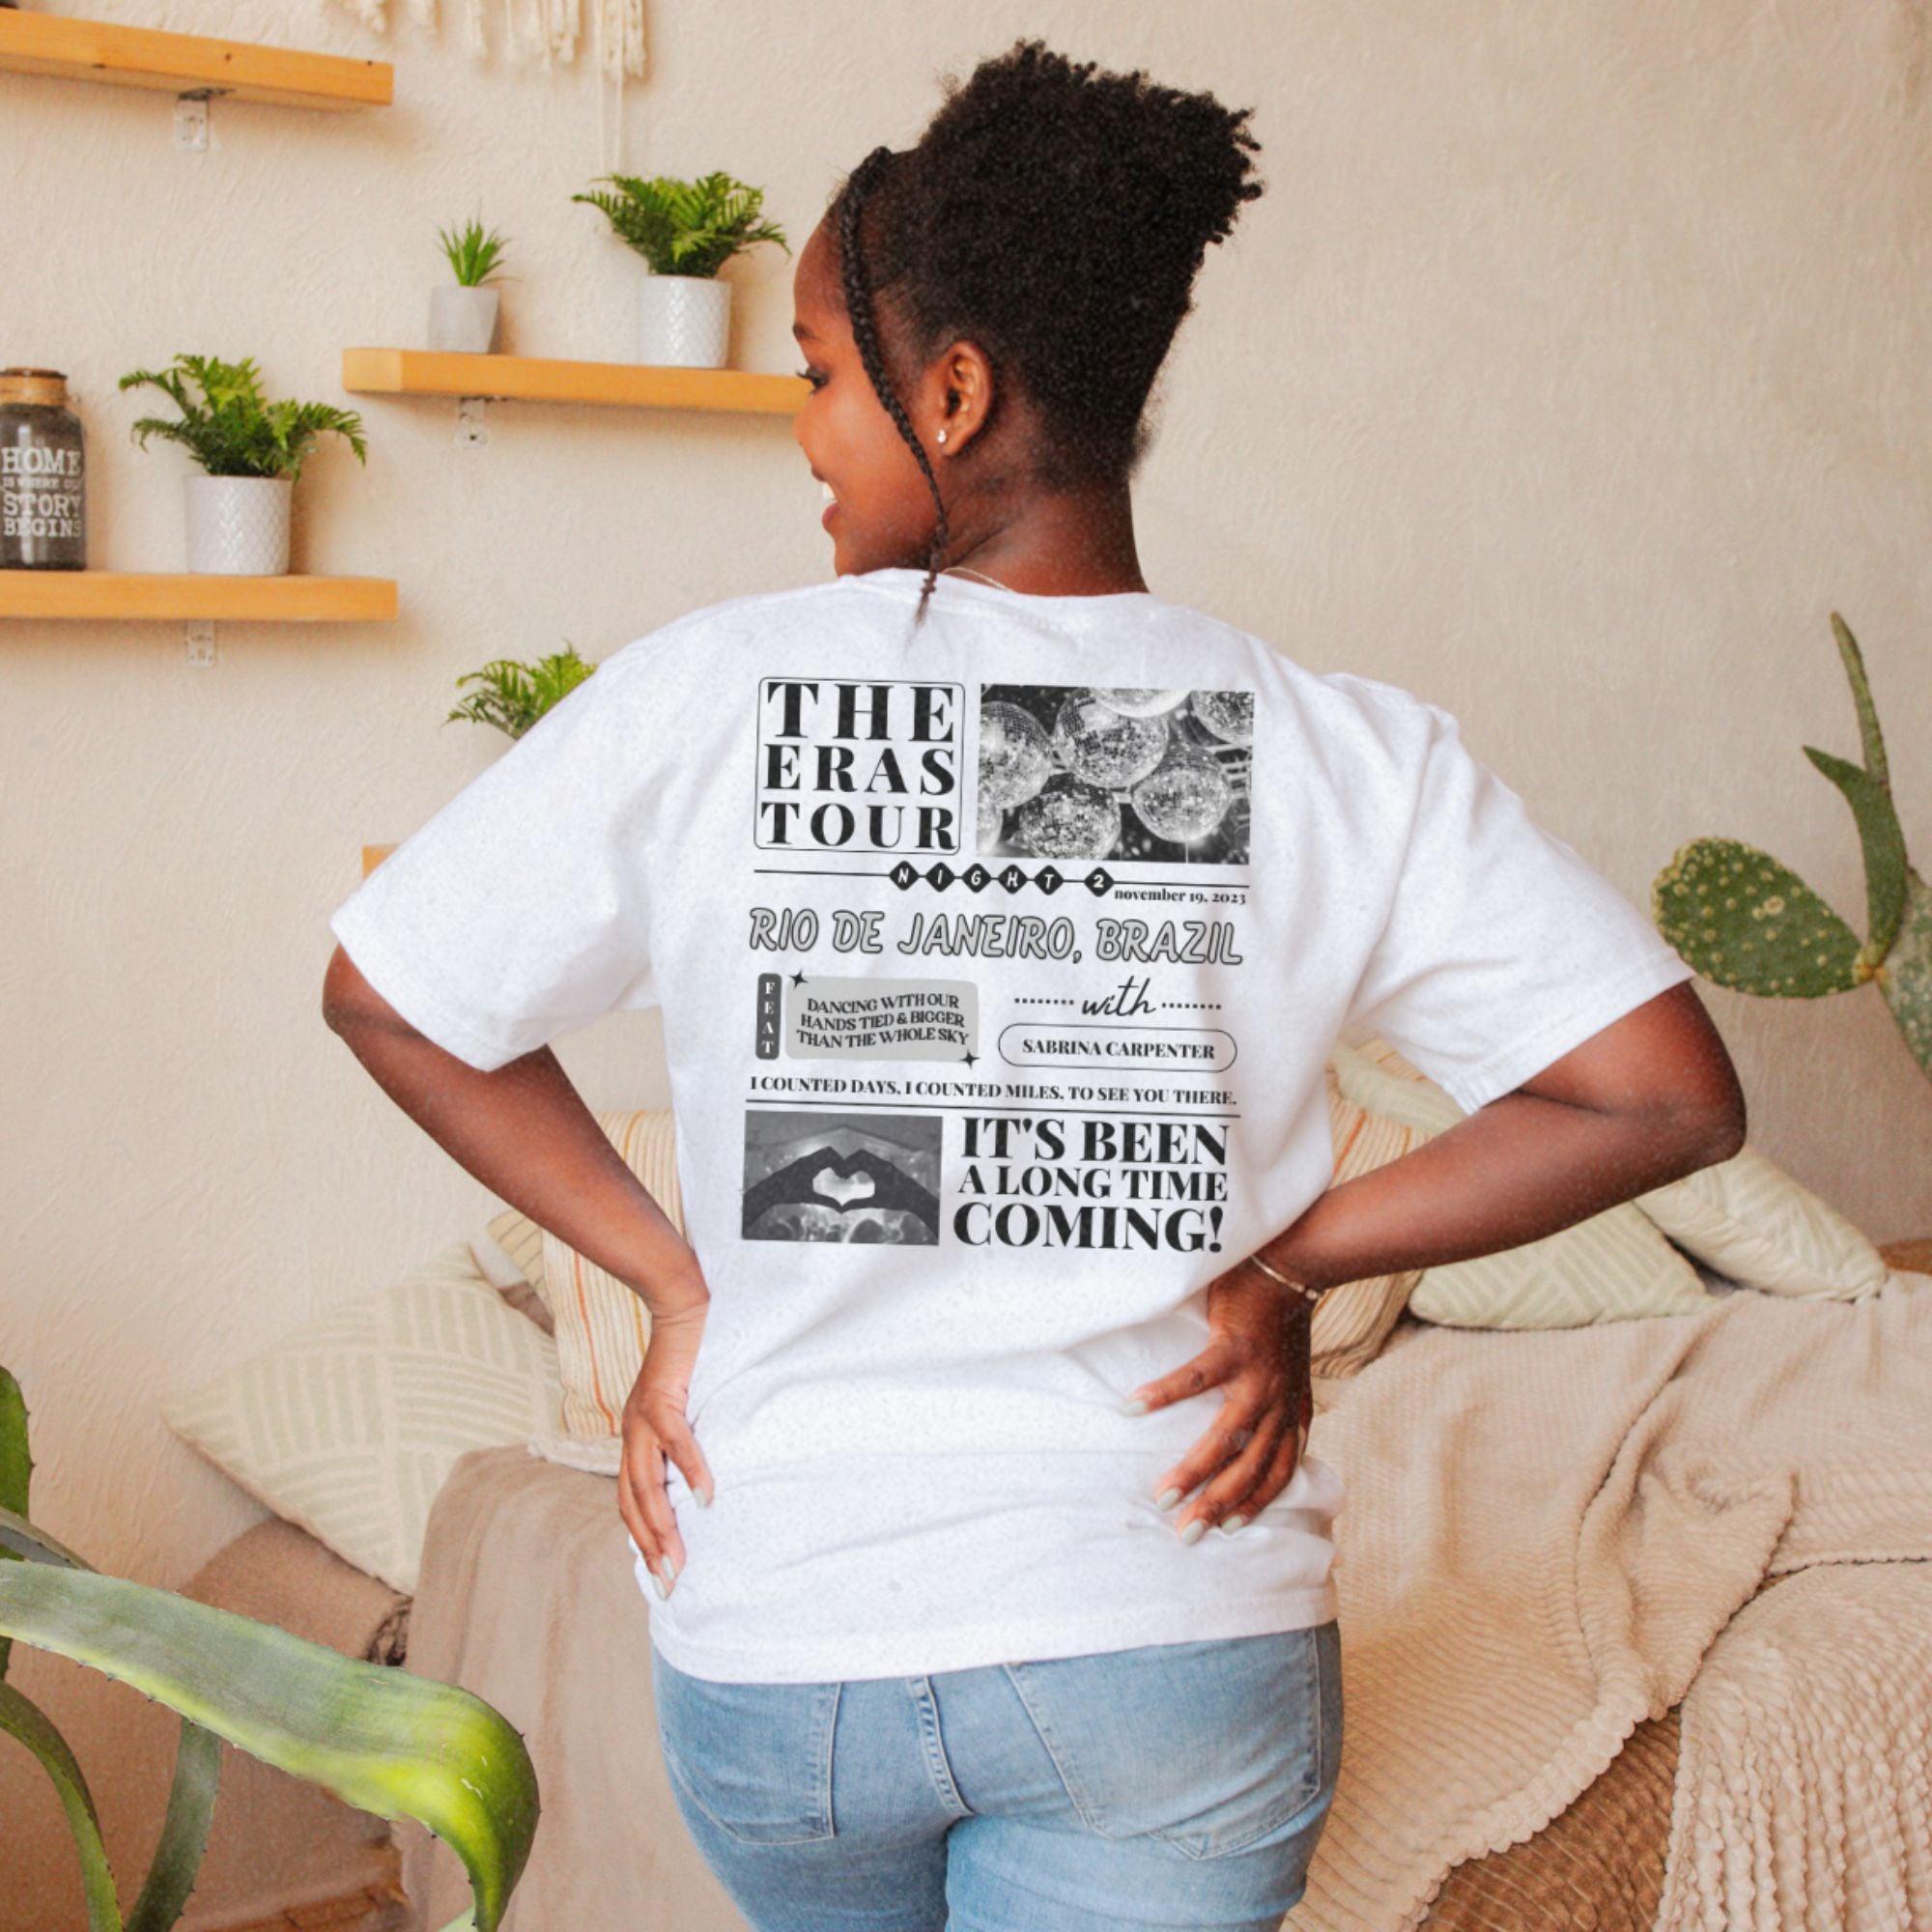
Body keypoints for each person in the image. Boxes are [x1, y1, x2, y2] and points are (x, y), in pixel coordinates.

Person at [322, 37, 1747, 1932]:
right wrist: (1290, 1264)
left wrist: (672, 1280)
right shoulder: (1339, 749)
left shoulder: (707, 694)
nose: (805, 434)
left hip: (787, 1642)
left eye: (821, 378)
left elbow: (390, 992)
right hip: (1165, 1635)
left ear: (956, 390)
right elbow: (1664, 1094)